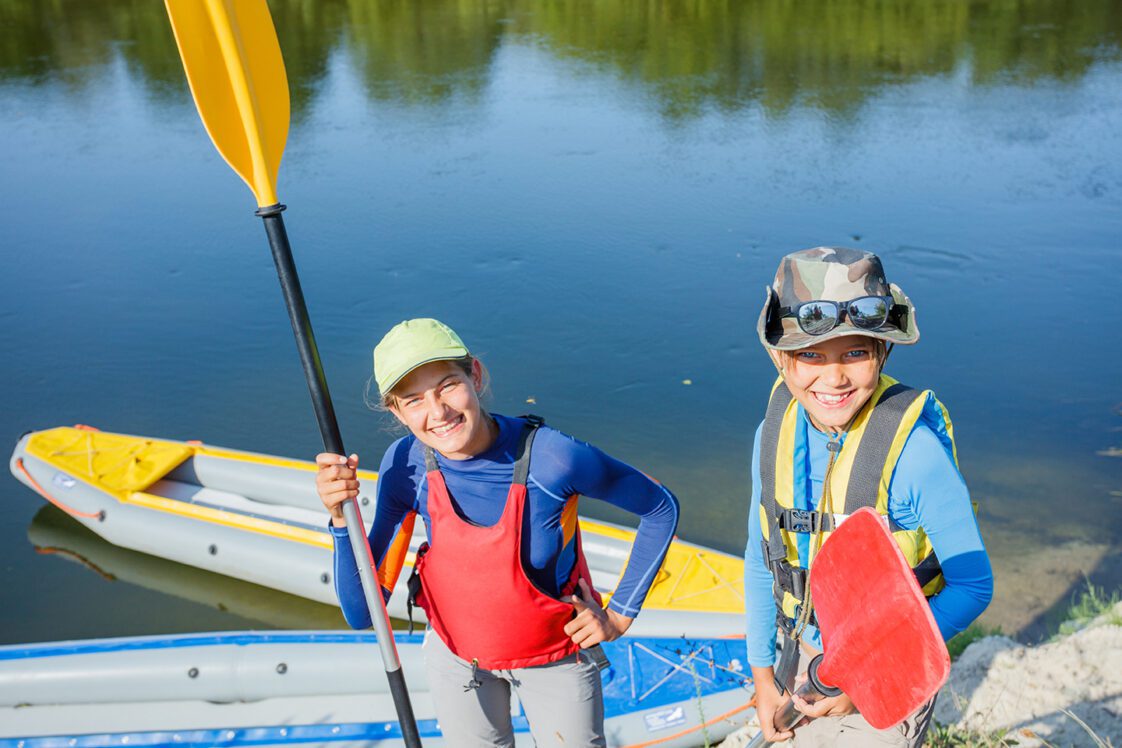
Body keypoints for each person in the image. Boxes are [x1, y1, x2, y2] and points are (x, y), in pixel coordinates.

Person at [316, 318, 680, 747]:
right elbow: (362, 615)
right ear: (396, 412)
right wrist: (342, 520)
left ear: (475, 374)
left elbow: (660, 507)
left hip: (555, 659)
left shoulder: (554, 458)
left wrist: (618, 616)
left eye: (448, 386)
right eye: (414, 400)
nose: (438, 413)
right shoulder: (405, 467)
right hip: (458, 660)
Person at [744, 247, 994, 746]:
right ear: (779, 357)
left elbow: (973, 585)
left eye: (855, 352)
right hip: (804, 660)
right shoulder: (772, 434)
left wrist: (863, 674)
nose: (833, 377)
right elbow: (760, 556)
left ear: (883, 351)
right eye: (810, 355)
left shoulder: (915, 455)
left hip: (884, 678)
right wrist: (764, 678)